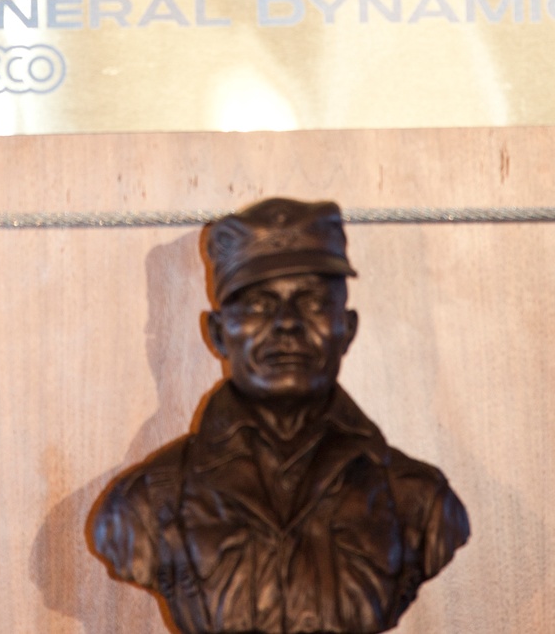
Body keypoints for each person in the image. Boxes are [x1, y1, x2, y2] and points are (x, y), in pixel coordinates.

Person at [91, 197, 470, 634]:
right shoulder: (144, 505)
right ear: (217, 333)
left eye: (311, 302)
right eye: (257, 305)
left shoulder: (419, 501)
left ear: (347, 329)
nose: (286, 324)